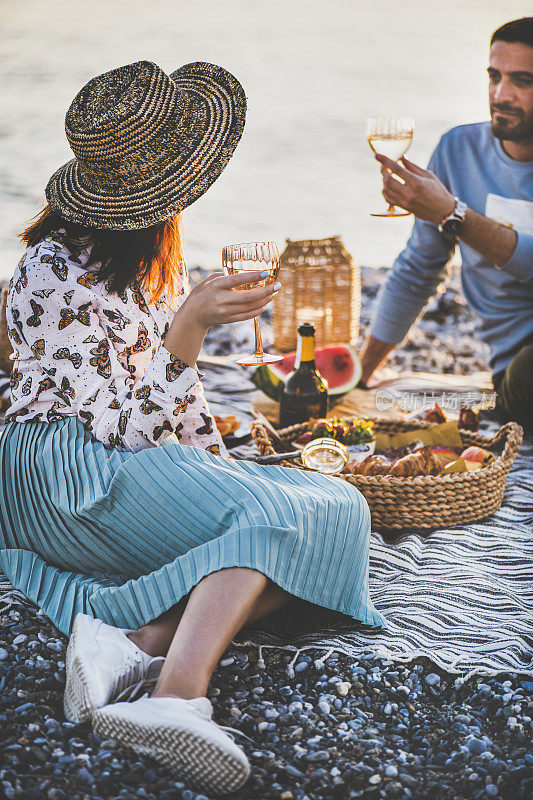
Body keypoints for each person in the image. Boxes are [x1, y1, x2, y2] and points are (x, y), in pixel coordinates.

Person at [0, 60, 385, 795]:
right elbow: (116, 428)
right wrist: (189, 329)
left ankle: (135, 643)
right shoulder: (53, 266)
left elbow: (168, 412)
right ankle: (176, 695)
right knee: (277, 519)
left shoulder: (144, 262)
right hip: (62, 475)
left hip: (117, 460)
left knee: (339, 508)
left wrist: (221, 463)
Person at [359, 17, 533, 432]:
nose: (500, 94)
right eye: (494, 76)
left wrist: (454, 214)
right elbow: (419, 268)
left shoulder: (453, 207)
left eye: (523, 81)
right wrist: (361, 375)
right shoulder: (460, 150)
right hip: (519, 376)